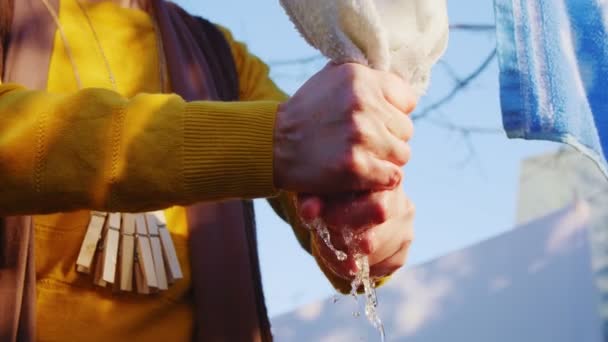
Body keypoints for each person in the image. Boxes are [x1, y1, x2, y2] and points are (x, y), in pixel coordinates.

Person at [0, 0, 415, 341]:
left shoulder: (220, 55)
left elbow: (312, 174)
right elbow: (288, 137)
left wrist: (362, 217)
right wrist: (275, 140)